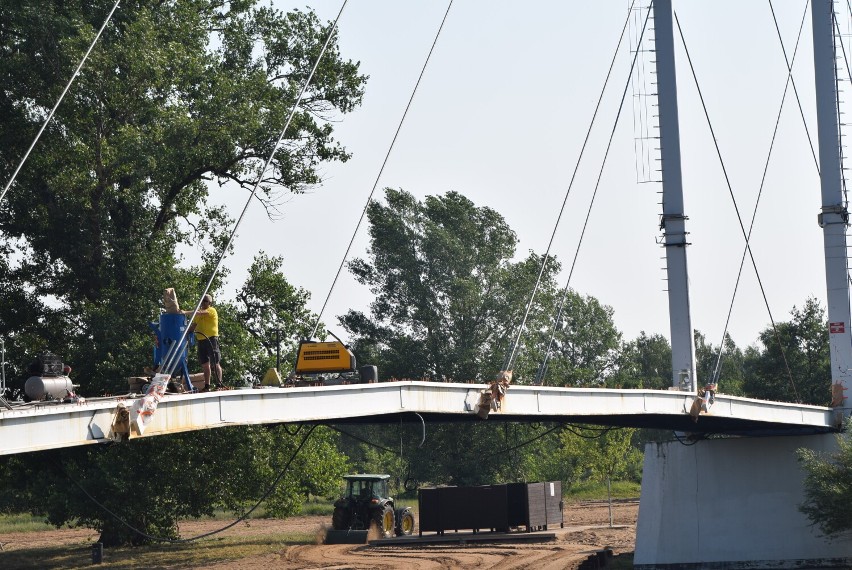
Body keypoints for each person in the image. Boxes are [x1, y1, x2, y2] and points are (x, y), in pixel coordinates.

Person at [186, 294, 223, 391]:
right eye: (202, 300)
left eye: (205, 301)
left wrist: (184, 312)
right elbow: (193, 326)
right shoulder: (198, 314)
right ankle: (207, 386)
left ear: (210, 303)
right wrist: (184, 332)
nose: (203, 302)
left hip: (211, 339)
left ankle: (219, 384)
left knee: (215, 363)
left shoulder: (211, 310)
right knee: (205, 364)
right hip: (201, 340)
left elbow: (200, 313)